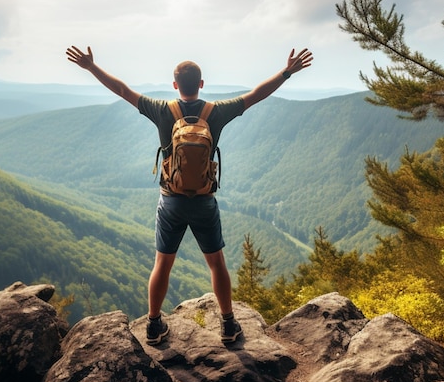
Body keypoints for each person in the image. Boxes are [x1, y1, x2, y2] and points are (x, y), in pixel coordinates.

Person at [66, 45, 313, 344]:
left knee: (162, 263)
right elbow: (257, 94)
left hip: (170, 200)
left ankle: (154, 326)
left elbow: (122, 89)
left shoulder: (162, 110)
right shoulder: (216, 112)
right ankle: (227, 325)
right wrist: (287, 72)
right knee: (216, 263)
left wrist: (91, 67)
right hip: (204, 202)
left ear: (174, 85)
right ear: (201, 84)